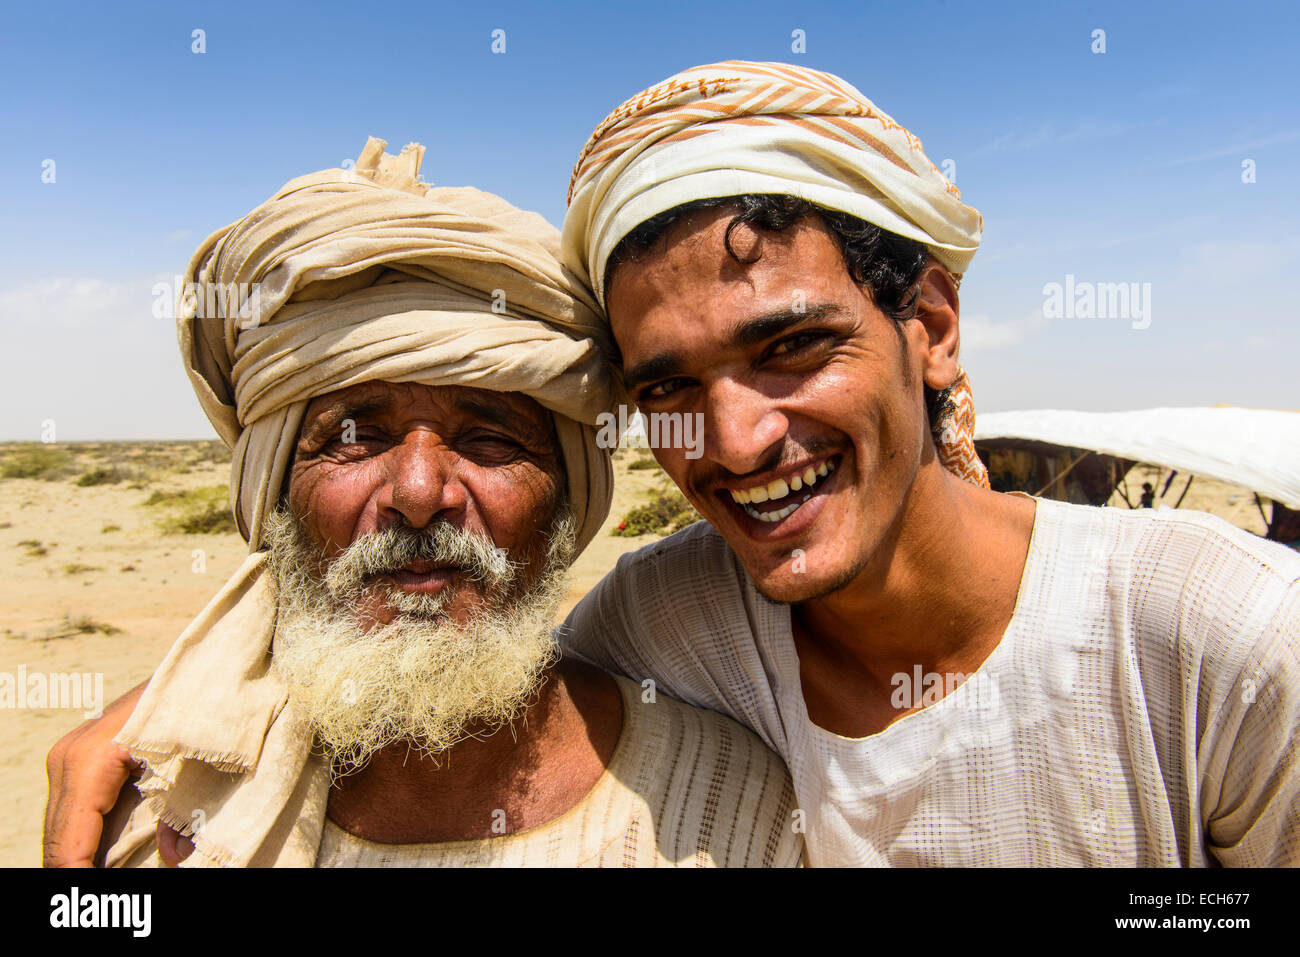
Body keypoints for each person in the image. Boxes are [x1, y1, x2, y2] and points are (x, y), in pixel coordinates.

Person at [49, 63, 1300, 867]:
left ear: (927, 322)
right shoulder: (667, 622)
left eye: (793, 348)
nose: (741, 439)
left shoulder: (1225, 642)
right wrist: (174, 711)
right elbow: (422, 618)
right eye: (666, 390)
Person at [49, 137, 800, 868]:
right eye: (354, 437)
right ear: (274, 487)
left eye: (490, 438)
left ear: (568, 494)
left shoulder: (739, 817)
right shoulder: (162, 815)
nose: (417, 494)